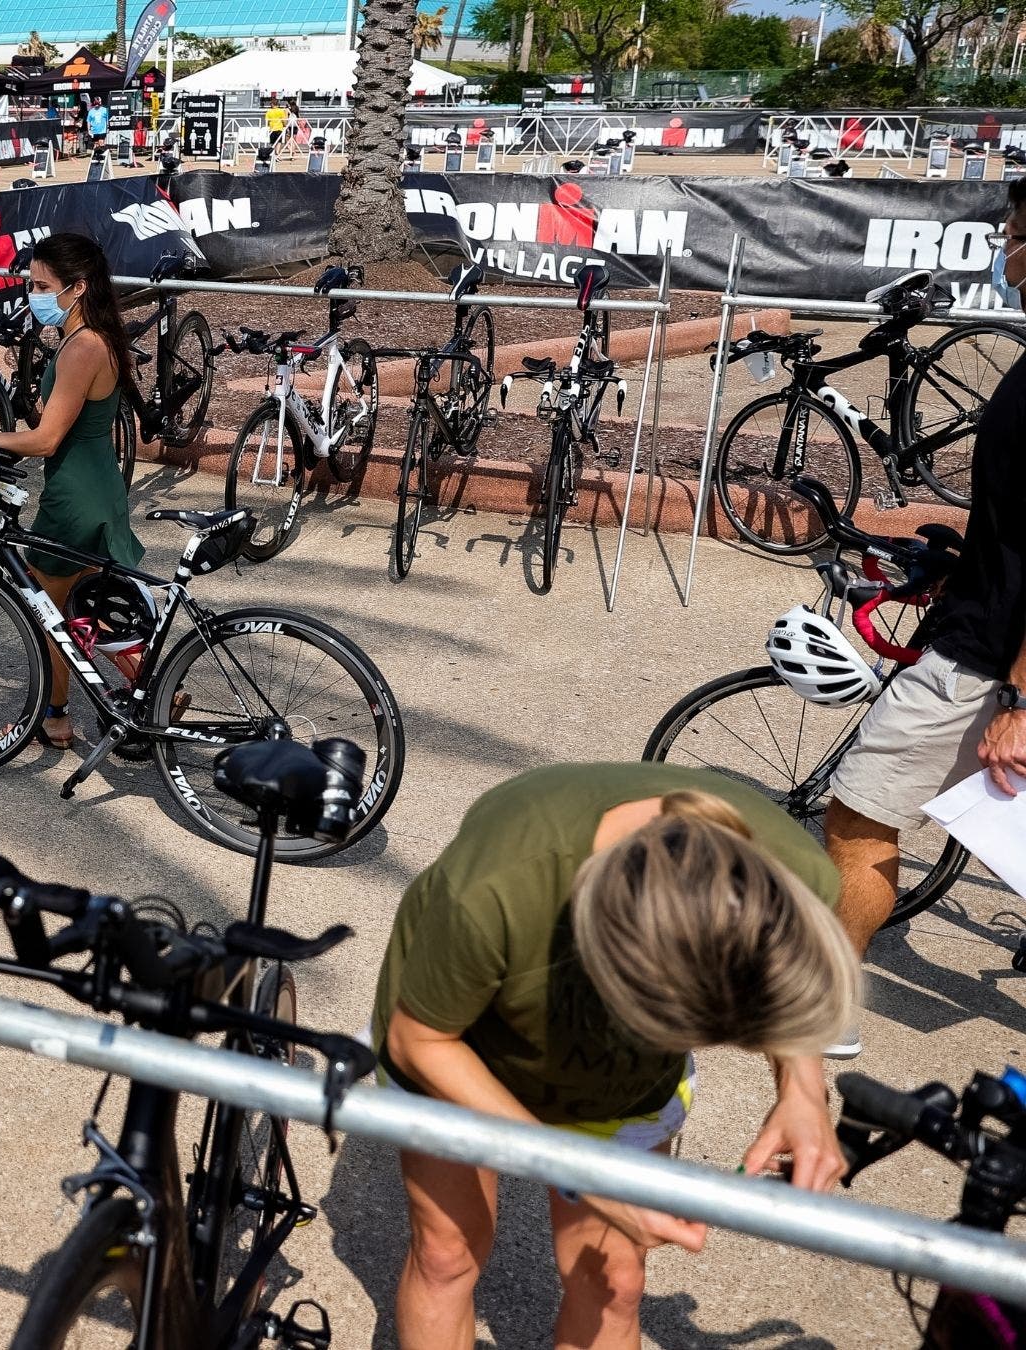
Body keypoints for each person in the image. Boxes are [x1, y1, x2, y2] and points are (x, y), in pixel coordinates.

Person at [375, 763, 857, 1350]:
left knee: (615, 1285)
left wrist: (803, 1091)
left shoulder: (799, 877)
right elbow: (420, 1039)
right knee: (447, 1255)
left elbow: (780, 994)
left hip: (618, 1089)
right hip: (460, 1046)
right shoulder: (496, 890)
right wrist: (575, 1171)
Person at [820, 177, 1026, 1056]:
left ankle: (825, 1008)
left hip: (987, 660)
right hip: (985, 626)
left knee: (861, 809)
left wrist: (1018, 702)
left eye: (1015, 226)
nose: (1004, 244)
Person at [0, 232, 141, 751]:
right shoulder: (92, 337)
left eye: (42, 286)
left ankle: (58, 717)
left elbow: (46, 439)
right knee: (81, 611)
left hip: (75, 498)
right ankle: (142, 688)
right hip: (95, 487)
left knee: (51, 610)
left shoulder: (83, 347)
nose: (33, 294)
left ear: (78, 287)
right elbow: (58, 422)